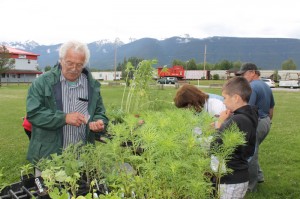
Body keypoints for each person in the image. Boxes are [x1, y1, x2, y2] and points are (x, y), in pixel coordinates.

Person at [26, 40, 109, 165]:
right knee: (48, 185)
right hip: (49, 157)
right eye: (69, 63)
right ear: (61, 60)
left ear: (84, 64)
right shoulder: (42, 83)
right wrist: (64, 118)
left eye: (79, 65)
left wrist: (99, 122)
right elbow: (34, 113)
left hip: (82, 158)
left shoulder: (92, 86)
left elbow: (99, 111)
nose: (74, 69)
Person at [212, 76, 258, 198]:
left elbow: (216, 146)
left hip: (231, 180)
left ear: (236, 98)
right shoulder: (248, 115)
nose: (223, 102)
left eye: (225, 98)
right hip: (239, 176)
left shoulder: (237, 120)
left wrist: (220, 124)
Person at [236, 62, 275, 192]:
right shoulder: (265, 85)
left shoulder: (251, 87)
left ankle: (250, 187)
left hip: (256, 123)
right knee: (254, 150)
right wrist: (268, 121)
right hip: (266, 122)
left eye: (244, 74)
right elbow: (271, 108)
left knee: (250, 155)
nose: (242, 77)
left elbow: (247, 109)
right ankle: (259, 176)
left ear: (252, 72)